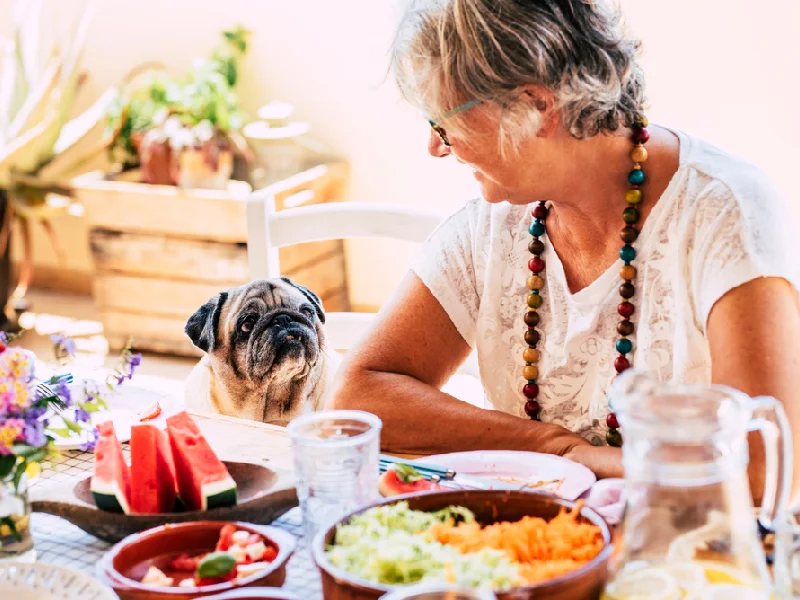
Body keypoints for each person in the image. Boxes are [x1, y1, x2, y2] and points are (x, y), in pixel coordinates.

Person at [330, 0, 800, 490]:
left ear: (537, 107)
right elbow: (355, 396)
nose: (436, 145)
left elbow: (764, 471)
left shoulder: (726, 214)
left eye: (443, 121)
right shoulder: (492, 226)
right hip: (534, 549)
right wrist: (552, 447)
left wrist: (580, 461)